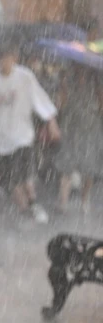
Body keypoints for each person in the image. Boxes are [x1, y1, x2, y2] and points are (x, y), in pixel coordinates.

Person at [0, 42, 59, 224]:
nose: (5, 62)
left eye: (9, 58)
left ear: (15, 59)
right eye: (2, 59)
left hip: (22, 135)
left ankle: (34, 204)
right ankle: (24, 211)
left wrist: (51, 121)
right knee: (10, 180)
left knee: (24, 175)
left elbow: (39, 98)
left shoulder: (25, 76)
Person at [54, 66, 103, 217]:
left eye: (85, 72)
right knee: (67, 165)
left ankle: (84, 200)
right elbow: (60, 105)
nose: (82, 74)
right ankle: (63, 203)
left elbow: (101, 106)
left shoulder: (97, 85)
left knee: (89, 168)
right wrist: (62, 89)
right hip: (71, 129)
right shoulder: (67, 83)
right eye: (79, 70)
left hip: (90, 130)